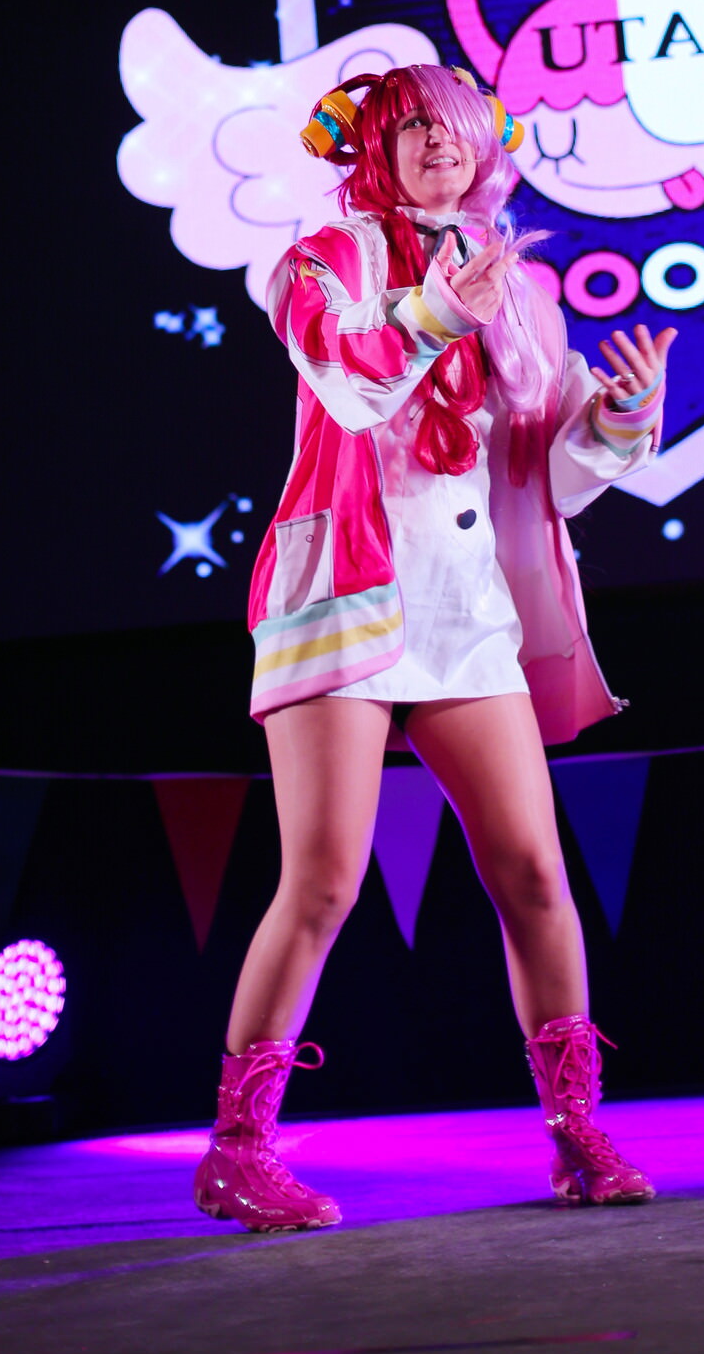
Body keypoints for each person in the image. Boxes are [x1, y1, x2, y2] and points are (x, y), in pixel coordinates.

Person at [193, 62, 675, 1232]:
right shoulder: (320, 261)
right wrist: (436, 315)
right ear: (371, 147)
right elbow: (349, 390)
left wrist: (617, 421)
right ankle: (237, 1152)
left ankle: (576, 1135)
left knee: (534, 873)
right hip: (341, 592)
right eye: (409, 126)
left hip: (464, 608)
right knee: (322, 881)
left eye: (453, 125)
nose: (437, 142)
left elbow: (542, 467)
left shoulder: (516, 287)